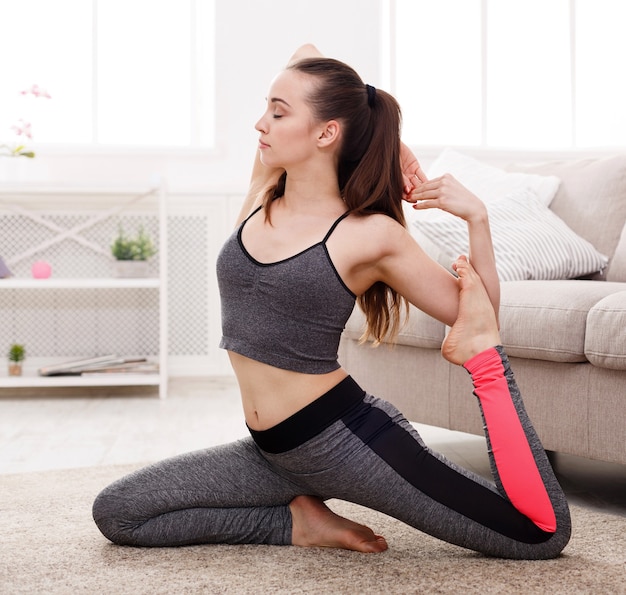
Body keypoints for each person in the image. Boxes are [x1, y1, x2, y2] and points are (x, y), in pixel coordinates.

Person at [93, 45, 571, 560]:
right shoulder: (264, 190)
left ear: (325, 133)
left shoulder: (368, 234)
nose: (261, 123)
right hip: (272, 452)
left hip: (348, 445)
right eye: (266, 109)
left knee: (538, 535)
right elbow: (308, 57)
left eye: (279, 112)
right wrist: (392, 140)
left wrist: (478, 219)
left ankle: (315, 506)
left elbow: (478, 317)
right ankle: (300, 522)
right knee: (119, 513)